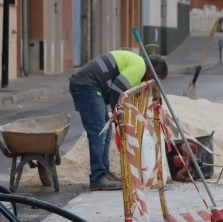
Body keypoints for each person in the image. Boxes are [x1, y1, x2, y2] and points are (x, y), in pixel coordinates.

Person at [69, 50, 168, 191]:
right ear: (154, 69)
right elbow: (116, 91)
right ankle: (98, 177)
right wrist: (119, 120)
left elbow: (116, 92)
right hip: (87, 86)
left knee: (105, 129)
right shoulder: (139, 66)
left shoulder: (136, 63)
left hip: (90, 86)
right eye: (155, 78)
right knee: (99, 132)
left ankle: (104, 173)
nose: (151, 83)